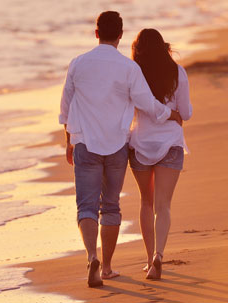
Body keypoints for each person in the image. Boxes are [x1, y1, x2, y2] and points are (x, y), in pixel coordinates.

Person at [59, 11, 182, 287]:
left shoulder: (78, 64)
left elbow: (65, 107)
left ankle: (92, 256)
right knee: (110, 206)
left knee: (86, 206)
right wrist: (169, 114)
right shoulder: (128, 68)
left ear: (96, 33)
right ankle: (107, 267)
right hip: (116, 145)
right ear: (121, 35)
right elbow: (146, 103)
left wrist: (68, 140)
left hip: (85, 143)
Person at [129, 28, 192, 280]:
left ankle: (147, 259)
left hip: (141, 144)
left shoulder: (134, 74)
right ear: (163, 46)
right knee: (163, 205)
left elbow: (129, 108)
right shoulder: (178, 72)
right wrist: (172, 111)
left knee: (146, 202)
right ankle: (159, 256)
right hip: (170, 143)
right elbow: (185, 113)